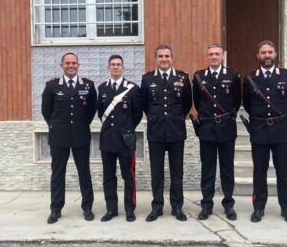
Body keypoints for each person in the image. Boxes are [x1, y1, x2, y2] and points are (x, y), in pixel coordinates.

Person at [243, 40, 287, 224]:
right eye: (263, 52)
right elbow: (248, 105)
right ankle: (259, 207)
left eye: (270, 52)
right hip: (259, 130)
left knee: (283, 171)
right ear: (258, 55)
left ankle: (286, 208)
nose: (267, 55)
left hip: (282, 130)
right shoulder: (250, 78)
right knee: (259, 171)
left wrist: (278, 118)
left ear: (275, 54)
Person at [41, 53, 97, 224]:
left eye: (74, 63)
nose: (71, 66)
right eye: (68, 63)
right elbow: (46, 111)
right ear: (61, 65)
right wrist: (57, 126)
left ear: (78, 65)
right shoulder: (51, 86)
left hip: (81, 136)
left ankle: (87, 208)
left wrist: (80, 125)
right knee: (58, 174)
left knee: (84, 173)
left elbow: (91, 110)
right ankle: (56, 209)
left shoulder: (88, 85)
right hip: (59, 137)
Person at [141, 44, 193, 222]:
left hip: (176, 132)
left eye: (167, 56)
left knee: (176, 172)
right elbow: (145, 105)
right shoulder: (147, 79)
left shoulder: (182, 77)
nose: (164, 59)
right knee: (157, 172)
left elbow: (186, 104)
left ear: (172, 58)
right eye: (161, 56)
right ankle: (157, 207)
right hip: (156, 132)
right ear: (156, 59)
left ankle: (177, 207)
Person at [192, 43, 241, 221]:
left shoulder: (233, 75)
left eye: (217, 54)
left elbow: (236, 100)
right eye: (211, 54)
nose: (214, 57)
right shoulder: (199, 77)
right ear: (207, 56)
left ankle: (228, 204)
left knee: (227, 169)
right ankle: (206, 205)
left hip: (227, 128)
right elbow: (197, 102)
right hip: (207, 130)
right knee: (208, 169)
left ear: (222, 56)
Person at [97, 55, 143, 222]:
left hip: (125, 141)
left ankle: (130, 209)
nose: (115, 67)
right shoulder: (102, 88)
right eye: (113, 65)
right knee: (108, 177)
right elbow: (100, 113)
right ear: (108, 68)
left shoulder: (133, 89)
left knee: (128, 176)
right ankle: (111, 209)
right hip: (107, 140)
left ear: (123, 67)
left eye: (118, 65)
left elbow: (137, 114)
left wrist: (127, 129)